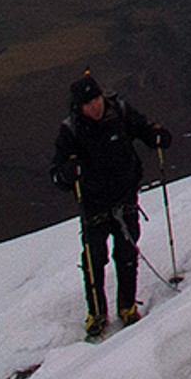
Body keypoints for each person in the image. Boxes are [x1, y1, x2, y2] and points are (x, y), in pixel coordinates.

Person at [49, 70, 172, 336]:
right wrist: (67, 173)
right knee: (95, 260)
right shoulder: (71, 130)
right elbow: (56, 175)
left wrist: (156, 136)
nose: (94, 106)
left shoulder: (120, 111)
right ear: (79, 107)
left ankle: (127, 307)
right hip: (94, 204)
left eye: (96, 99)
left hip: (125, 195)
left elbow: (143, 129)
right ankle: (96, 314)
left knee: (127, 253)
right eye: (88, 103)